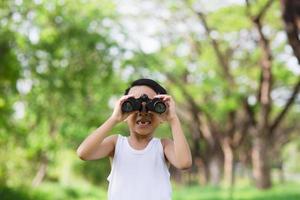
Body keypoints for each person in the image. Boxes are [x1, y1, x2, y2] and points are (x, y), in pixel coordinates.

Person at [76, 78, 192, 200]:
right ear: (125, 111)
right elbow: (83, 153)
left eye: (150, 106)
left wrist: (173, 119)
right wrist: (114, 119)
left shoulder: (163, 146)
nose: (143, 112)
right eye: (134, 105)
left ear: (162, 115)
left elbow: (184, 163)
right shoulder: (116, 144)